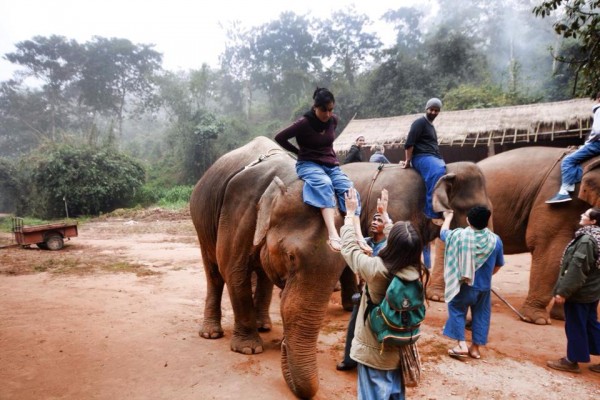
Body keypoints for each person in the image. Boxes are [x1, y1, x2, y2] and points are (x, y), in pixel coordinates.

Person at [340, 188, 429, 399]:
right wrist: (386, 216)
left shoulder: (376, 269)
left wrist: (349, 215)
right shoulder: (418, 269)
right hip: (400, 351)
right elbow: (403, 243)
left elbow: (349, 249)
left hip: (373, 353)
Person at [274, 87, 370, 253]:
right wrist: (299, 152)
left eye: (331, 110)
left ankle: (359, 236)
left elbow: (327, 142)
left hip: (331, 165)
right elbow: (279, 137)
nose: (327, 114)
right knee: (324, 184)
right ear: (315, 107)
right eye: (323, 110)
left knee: (350, 190)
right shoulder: (303, 123)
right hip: (309, 165)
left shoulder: (333, 120)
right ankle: (333, 234)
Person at [441, 206, 504, 360]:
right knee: (482, 315)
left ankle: (461, 344)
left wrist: (448, 218)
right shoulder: (495, 240)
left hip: (463, 285)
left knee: (456, 309)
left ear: (468, 220)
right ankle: (475, 349)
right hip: (483, 287)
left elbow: (443, 233)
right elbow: (498, 265)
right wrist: (487, 277)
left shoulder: (459, 236)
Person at [546, 207, 600, 373]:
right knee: (591, 325)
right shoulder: (597, 237)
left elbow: (577, 269)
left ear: (593, 222)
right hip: (593, 291)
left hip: (580, 292)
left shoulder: (586, 241)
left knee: (575, 325)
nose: (581, 215)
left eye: (585, 214)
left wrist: (563, 291)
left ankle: (572, 360)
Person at [337, 204, 389, 372]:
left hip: (382, 297)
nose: (375, 222)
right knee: (354, 327)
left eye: (379, 220)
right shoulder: (365, 242)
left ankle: (375, 363)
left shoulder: (388, 247)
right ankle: (349, 360)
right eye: (373, 219)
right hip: (364, 295)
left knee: (378, 330)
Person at [547, 92, 600, 204]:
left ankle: (565, 191)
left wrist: (589, 142)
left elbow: (597, 131)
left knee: (568, 161)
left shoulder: (599, 109)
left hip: (597, 144)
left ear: (598, 99)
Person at [401, 98, 446, 225]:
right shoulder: (419, 123)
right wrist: (408, 160)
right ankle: (431, 211)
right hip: (421, 157)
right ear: (426, 109)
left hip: (433, 156)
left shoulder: (431, 126)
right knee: (437, 171)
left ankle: (443, 205)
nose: (433, 112)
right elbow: (409, 144)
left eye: (436, 110)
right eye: (431, 109)